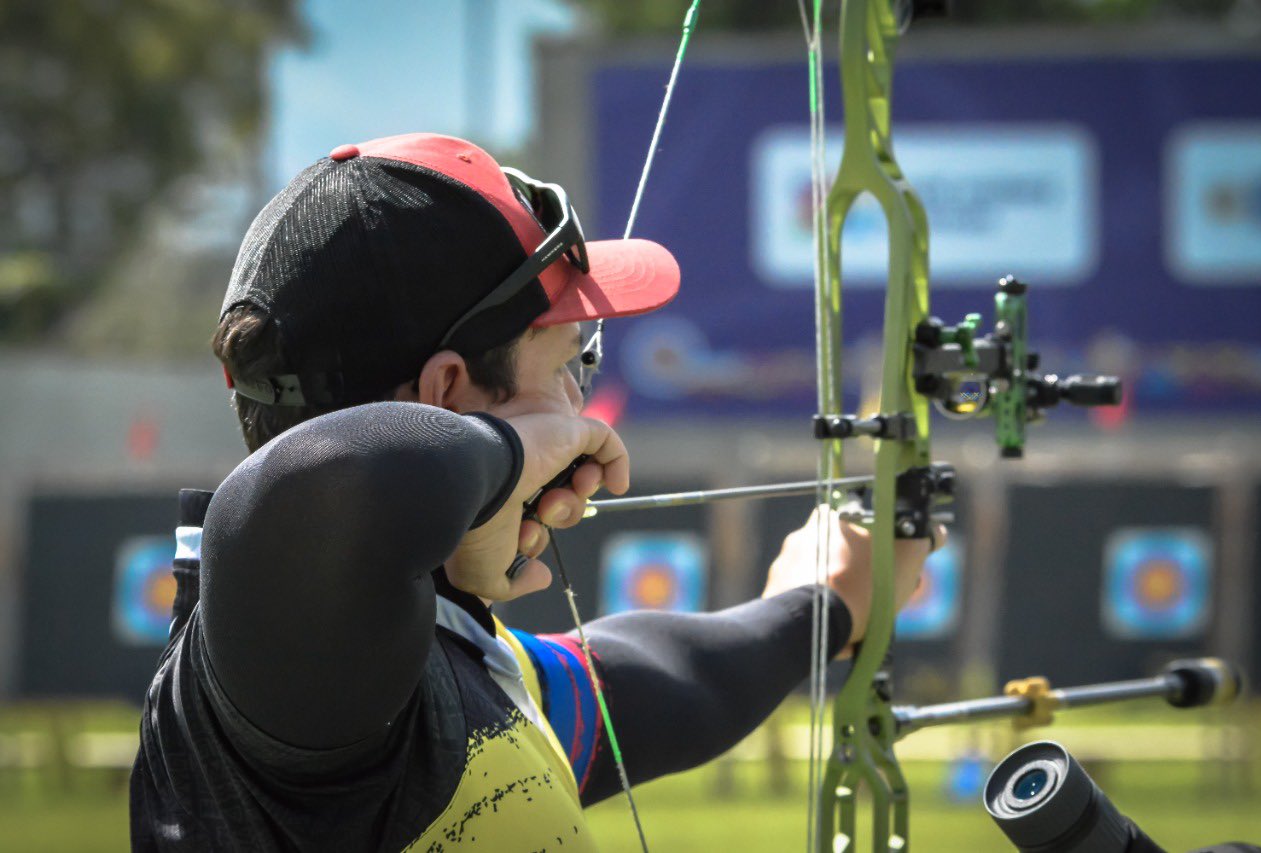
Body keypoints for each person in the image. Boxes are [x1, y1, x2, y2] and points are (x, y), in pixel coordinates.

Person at [128, 132, 937, 851]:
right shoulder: (273, 668)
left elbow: (664, 682)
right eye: (567, 366)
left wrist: (820, 602)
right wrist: (504, 458)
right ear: (447, 393)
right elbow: (319, 491)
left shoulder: (450, 663)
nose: (583, 413)